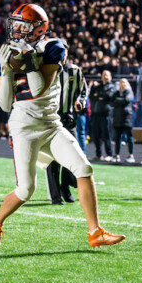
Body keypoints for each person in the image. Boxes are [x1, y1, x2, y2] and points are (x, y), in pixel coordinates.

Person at [0, 3, 124, 248]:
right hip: (24, 127)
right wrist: (6, 73)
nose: (16, 29)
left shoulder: (53, 47)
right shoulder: (2, 55)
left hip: (51, 124)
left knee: (84, 168)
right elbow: (5, 104)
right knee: (26, 190)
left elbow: (40, 88)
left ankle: (95, 232)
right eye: (15, 24)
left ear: (38, 29)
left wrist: (28, 61)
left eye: (23, 25)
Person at [45, 60, 87, 204]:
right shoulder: (46, 68)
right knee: (53, 159)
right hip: (50, 118)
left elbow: (83, 90)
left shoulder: (75, 70)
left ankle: (65, 187)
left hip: (67, 118)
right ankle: (56, 196)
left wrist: (80, 101)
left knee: (74, 155)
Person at [88, 70, 115, 161]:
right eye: (104, 75)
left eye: (107, 75)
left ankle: (109, 154)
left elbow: (109, 97)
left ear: (110, 77)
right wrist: (99, 95)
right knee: (96, 136)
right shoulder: (97, 87)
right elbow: (92, 97)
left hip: (105, 114)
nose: (105, 77)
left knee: (106, 135)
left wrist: (99, 96)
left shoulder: (112, 87)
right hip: (96, 114)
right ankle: (98, 154)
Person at [111, 78, 135, 163]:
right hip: (117, 118)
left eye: (124, 82)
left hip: (127, 118)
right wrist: (120, 101)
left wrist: (117, 100)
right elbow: (111, 102)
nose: (123, 84)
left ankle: (131, 155)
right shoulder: (117, 92)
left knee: (129, 138)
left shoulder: (129, 92)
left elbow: (127, 100)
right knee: (117, 138)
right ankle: (116, 155)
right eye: (121, 83)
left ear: (127, 83)